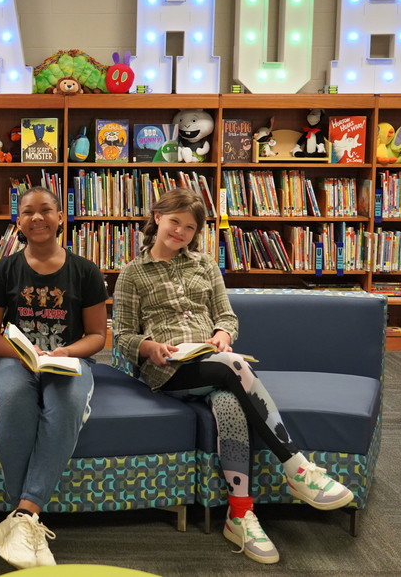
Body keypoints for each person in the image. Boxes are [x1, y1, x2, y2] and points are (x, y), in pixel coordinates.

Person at [112, 188, 354, 565]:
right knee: (233, 366)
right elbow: (122, 334)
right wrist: (148, 347)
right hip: (168, 369)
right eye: (174, 221)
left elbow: (226, 316)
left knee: (230, 406)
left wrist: (223, 334)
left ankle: (239, 515)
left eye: (189, 228)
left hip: (211, 362)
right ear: (157, 218)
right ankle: (297, 468)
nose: (180, 232)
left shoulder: (205, 265)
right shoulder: (133, 273)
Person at [0, 186, 108, 569]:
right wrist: (22, 353)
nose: (37, 218)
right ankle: (27, 520)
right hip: (15, 360)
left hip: (67, 361)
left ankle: (22, 516)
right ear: (18, 221)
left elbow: (97, 336)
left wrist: (66, 352)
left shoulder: (85, 271)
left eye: (46, 210)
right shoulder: (4, 269)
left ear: (60, 217)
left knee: (66, 403)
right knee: (16, 402)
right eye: (28, 212)